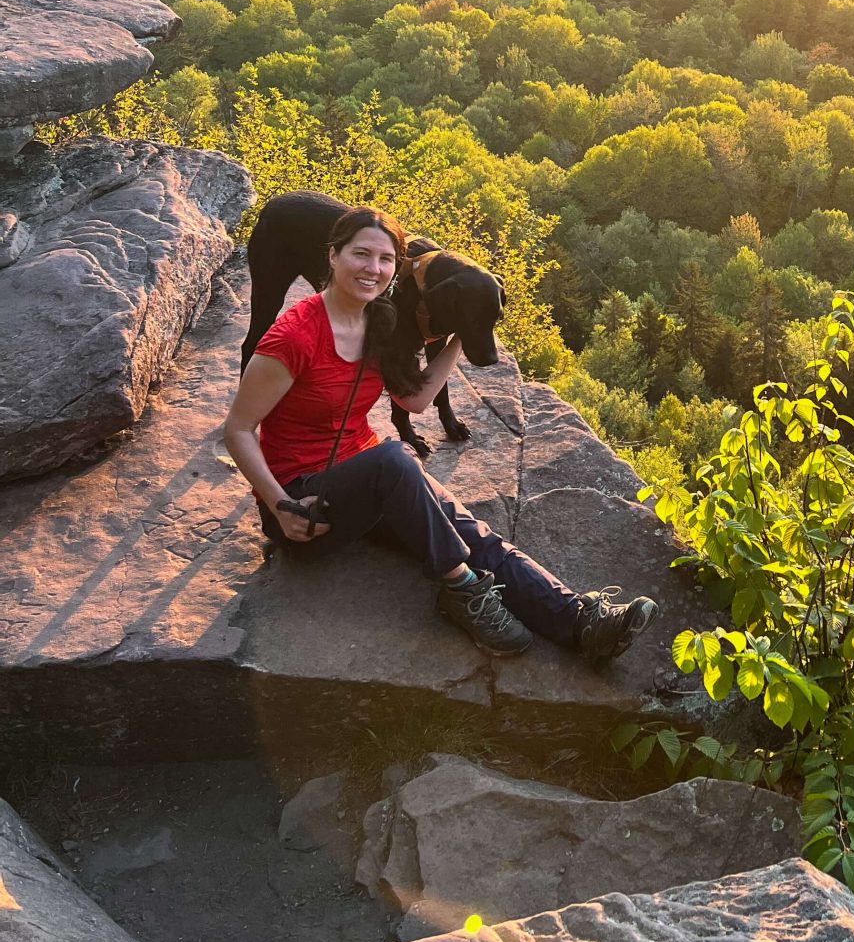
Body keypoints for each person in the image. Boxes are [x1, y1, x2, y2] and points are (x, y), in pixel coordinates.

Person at [223, 204, 656, 663]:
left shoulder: (380, 325)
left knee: (472, 532)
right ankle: (461, 589)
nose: (373, 269)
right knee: (396, 458)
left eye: (385, 259)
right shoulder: (293, 336)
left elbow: (413, 401)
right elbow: (239, 430)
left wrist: (458, 339)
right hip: (305, 506)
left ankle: (581, 623)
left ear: (396, 268)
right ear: (332, 256)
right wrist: (278, 504)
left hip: (368, 483)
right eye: (361, 254)